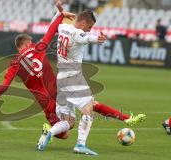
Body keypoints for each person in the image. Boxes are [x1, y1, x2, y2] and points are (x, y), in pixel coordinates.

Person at [37, 10, 145, 155]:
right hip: (73, 77)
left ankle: (50, 132)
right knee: (88, 110)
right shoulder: (77, 33)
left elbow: (53, 25)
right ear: (82, 23)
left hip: (61, 78)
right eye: (89, 27)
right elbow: (85, 37)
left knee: (69, 121)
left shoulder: (63, 28)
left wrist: (59, 13)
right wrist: (97, 39)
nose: (90, 30)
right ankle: (80, 145)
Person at [0, 2, 76, 140]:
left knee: (64, 134)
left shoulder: (15, 63)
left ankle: (48, 130)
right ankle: (49, 130)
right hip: (57, 93)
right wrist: (60, 15)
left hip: (44, 101)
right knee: (69, 124)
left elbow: (5, 85)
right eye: (30, 42)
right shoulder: (38, 48)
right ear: (25, 43)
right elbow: (51, 30)